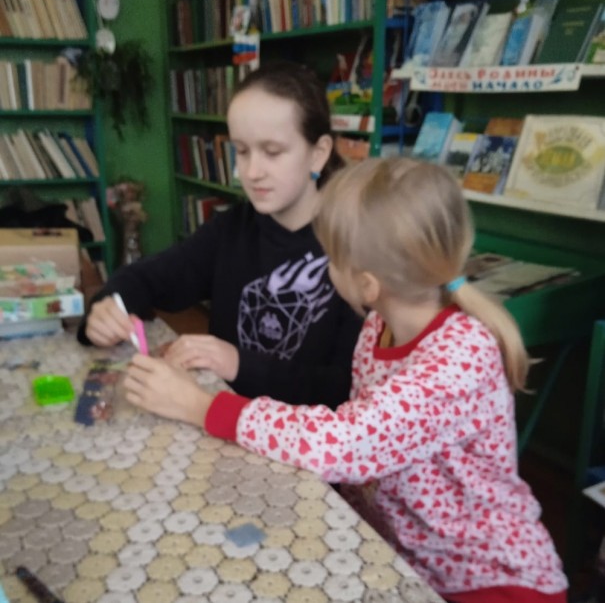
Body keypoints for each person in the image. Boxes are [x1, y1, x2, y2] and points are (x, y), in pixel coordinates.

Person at [124, 157, 568, 603]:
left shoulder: (461, 357)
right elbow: (364, 439)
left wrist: (201, 406)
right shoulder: (377, 327)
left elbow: (340, 443)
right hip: (402, 557)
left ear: (368, 285)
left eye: (330, 257)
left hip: (489, 583)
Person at [78, 61, 362, 409]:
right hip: (214, 420)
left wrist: (237, 363)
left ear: (318, 154)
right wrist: (109, 308)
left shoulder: (356, 247)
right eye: (241, 151)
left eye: (272, 152)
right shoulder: (233, 228)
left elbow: (341, 390)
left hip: (298, 436)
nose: (251, 172)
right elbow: (150, 277)